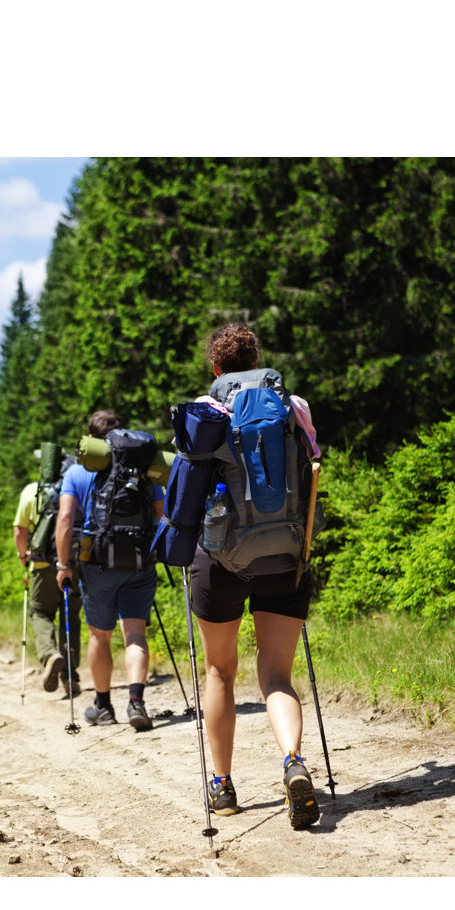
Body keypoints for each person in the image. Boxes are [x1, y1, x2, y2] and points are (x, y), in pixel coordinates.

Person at [191, 321, 321, 828]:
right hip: (286, 556)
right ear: (258, 359)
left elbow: (186, 494)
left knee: (221, 672)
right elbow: (313, 467)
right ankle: (293, 759)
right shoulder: (295, 406)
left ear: (217, 367)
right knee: (276, 676)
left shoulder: (206, 410)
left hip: (221, 559)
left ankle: (222, 788)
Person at [54, 410, 164, 731]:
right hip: (140, 561)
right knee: (135, 633)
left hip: (97, 563)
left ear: (91, 439)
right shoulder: (142, 468)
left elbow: (64, 521)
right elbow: (161, 513)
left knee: (99, 635)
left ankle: (103, 705)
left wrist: (63, 566)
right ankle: (136, 702)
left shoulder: (77, 471)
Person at [13, 477, 82, 697]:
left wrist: (23, 555)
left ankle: (50, 655)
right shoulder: (75, 486)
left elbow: (20, 531)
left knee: (40, 613)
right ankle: (70, 676)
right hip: (72, 564)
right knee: (69, 617)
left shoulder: (32, 490)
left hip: (42, 566)